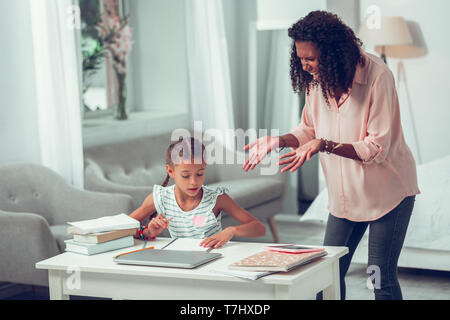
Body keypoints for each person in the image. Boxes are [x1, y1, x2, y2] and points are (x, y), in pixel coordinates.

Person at [243, 11, 420, 300]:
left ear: (335, 52)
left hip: (389, 195)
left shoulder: (378, 76)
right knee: (324, 276)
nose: (305, 65)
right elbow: (308, 129)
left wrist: (324, 145)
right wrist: (281, 140)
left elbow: (376, 148)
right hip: (345, 196)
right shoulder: (316, 81)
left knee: (379, 279)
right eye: (300, 58)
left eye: (311, 58)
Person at [129, 137, 266, 249]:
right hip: (182, 263)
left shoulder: (217, 199)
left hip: (215, 259)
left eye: (200, 174)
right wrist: (148, 232)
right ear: (171, 171)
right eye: (186, 176)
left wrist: (231, 231)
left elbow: (260, 229)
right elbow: (124, 228)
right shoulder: (160, 198)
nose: (194, 182)